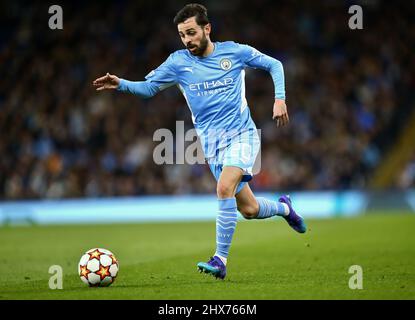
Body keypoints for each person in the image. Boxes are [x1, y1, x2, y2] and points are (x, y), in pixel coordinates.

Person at [93, 3, 306, 280]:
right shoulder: (178, 62)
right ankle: (284, 207)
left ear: (207, 29)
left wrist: (280, 98)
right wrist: (121, 83)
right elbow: (148, 89)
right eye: (182, 35)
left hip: (242, 135)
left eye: (191, 32)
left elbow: (273, 64)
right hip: (212, 146)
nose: (187, 40)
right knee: (250, 210)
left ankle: (220, 259)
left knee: (224, 187)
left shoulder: (234, 51)